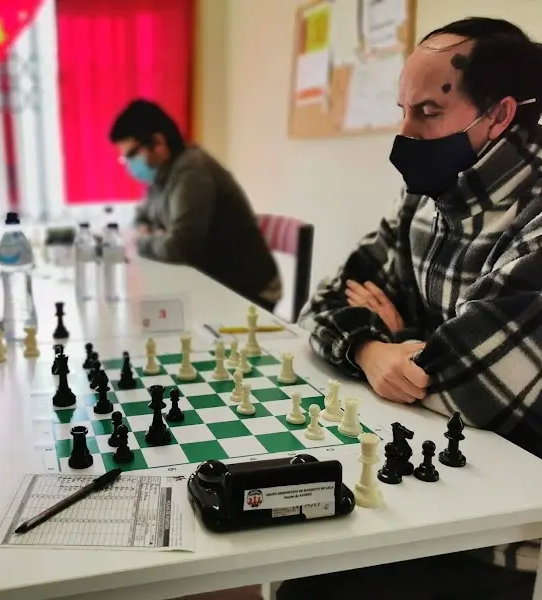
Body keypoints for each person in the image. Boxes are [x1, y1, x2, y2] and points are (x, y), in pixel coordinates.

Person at [285, 17, 542, 600]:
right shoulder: (427, 197)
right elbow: (322, 303)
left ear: (500, 115)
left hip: (504, 530)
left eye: (428, 111)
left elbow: (474, 383)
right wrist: (372, 346)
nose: (404, 132)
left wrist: (416, 341)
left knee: (309, 579)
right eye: (402, 109)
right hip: (432, 485)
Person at [109, 99, 282, 312]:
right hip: (209, 278)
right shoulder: (161, 174)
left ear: (158, 142)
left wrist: (140, 240)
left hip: (247, 289)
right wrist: (156, 236)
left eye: (131, 155)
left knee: (157, 325)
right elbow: (141, 219)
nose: (129, 164)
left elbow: (180, 248)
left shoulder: (193, 172)